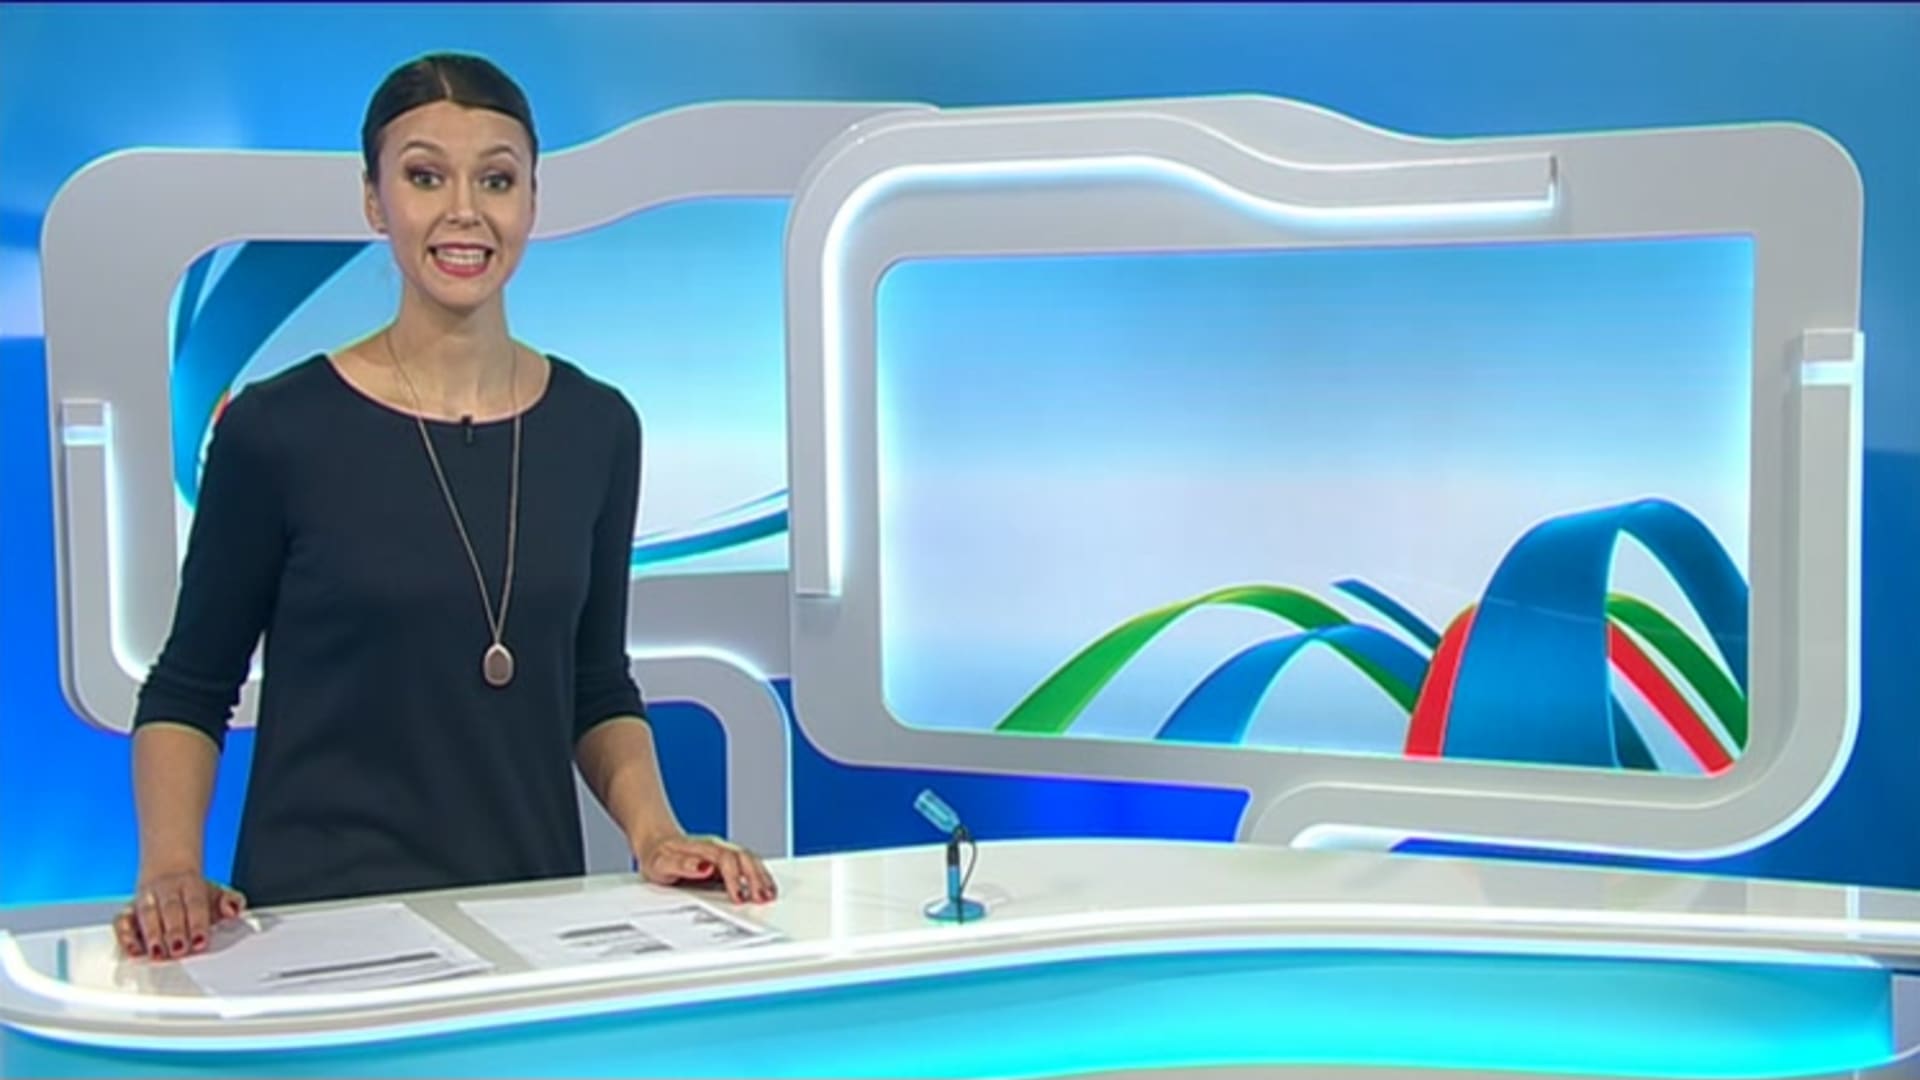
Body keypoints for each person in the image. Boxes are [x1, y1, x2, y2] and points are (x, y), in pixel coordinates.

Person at [115, 53, 776, 962]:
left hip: (531, 923)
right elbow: (191, 685)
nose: (464, 211)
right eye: (425, 177)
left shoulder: (597, 427)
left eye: (496, 180)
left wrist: (656, 834)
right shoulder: (276, 430)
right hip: (321, 932)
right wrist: (171, 870)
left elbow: (594, 683)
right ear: (374, 201)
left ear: (532, 202)